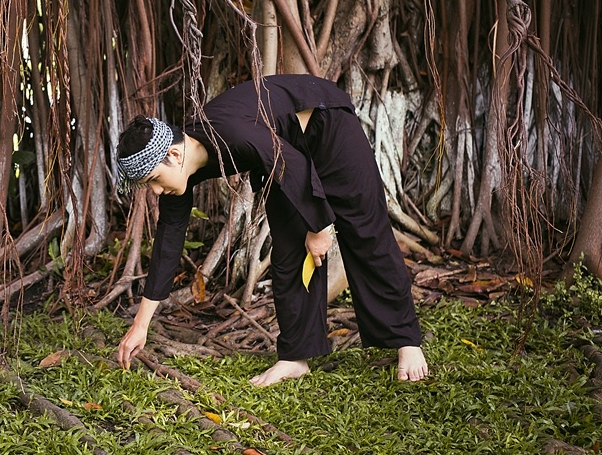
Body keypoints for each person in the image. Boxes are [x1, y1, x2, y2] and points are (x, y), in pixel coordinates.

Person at [114, 75, 428, 384]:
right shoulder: (182, 170)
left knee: (364, 230)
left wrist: (319, 228)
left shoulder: (233, 134)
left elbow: (293, 165)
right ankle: (295, 357)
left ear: (174, 154)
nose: (155, 192)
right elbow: (168, 241)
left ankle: (406, 342)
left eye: (154, 180)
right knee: (290, 247)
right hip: (285, 150)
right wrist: (141, 324)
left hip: (327, 125)